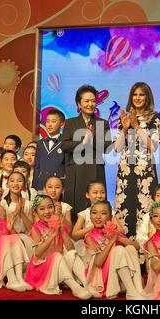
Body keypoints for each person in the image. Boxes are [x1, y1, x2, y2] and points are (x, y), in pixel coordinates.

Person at [114, 82, 160, 238]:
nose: (138, 98)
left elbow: (153, 146)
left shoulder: (154, 117)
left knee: (145, 210)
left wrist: (136, 125)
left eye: (141, 94)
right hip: (126, 172)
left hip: (145, 173)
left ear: (147, 97)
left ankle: (145, 255)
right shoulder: (124, 118)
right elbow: (117, 147)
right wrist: (126, 127)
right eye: (135, 94)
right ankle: (126, 251)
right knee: (125, 209)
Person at [61, 85, 112, 222]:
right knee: (75, 207)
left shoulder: (103, 123)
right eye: (87, 101)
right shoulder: (71, 123)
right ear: (79, 103)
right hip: (76, 171)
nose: (90, 104)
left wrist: (92, 138)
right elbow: (64, 145)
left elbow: (108, 148)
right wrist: (83, 143)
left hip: (95, 170)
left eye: (93, 101)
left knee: (98, 207)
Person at [25, 195, 91, 298]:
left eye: (50, 207)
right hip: (42, 268)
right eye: (42, 209)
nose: (47, 211)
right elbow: (38, 253)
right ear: (35, 212)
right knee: (56, 255)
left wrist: (61, 231)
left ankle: (87, 284)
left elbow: (71, 249)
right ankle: (75, 287)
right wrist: (53, 235)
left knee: (72, 253)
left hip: (59, 264)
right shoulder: (35, 228)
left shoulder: (59, 225)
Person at [84, 200, 144, 299]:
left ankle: (138, 289)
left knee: (129, 248)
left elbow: (136, 246)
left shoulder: (114, 231)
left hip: (116, 274)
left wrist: (117, 237)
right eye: (94, 213)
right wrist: (112, 242)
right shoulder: (89, 237)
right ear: (90, 216)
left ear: (110, 218)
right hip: (100, 278)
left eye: (103, 213)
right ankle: (131, 291)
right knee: (119, 249)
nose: (98, 217)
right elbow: (98, 263)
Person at [0, 171, 34, 259]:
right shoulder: (3, 204)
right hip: (9, 237)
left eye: (19, 181)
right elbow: (2, 227)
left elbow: (31, 228)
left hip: (25, 238)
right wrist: (15, 213)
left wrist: (21, 213)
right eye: (12, 181)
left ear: (24, 184)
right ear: (7, 184)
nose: (16, 184)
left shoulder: (28, 204)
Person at [33, 109, 65, 191]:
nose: (49, 124)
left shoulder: (65, 142)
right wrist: (34, 187)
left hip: (58, 186)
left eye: (53, 121)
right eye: (47, 121)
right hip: (41, 184)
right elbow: (37, 167)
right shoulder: (40, 143)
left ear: (62, 124)